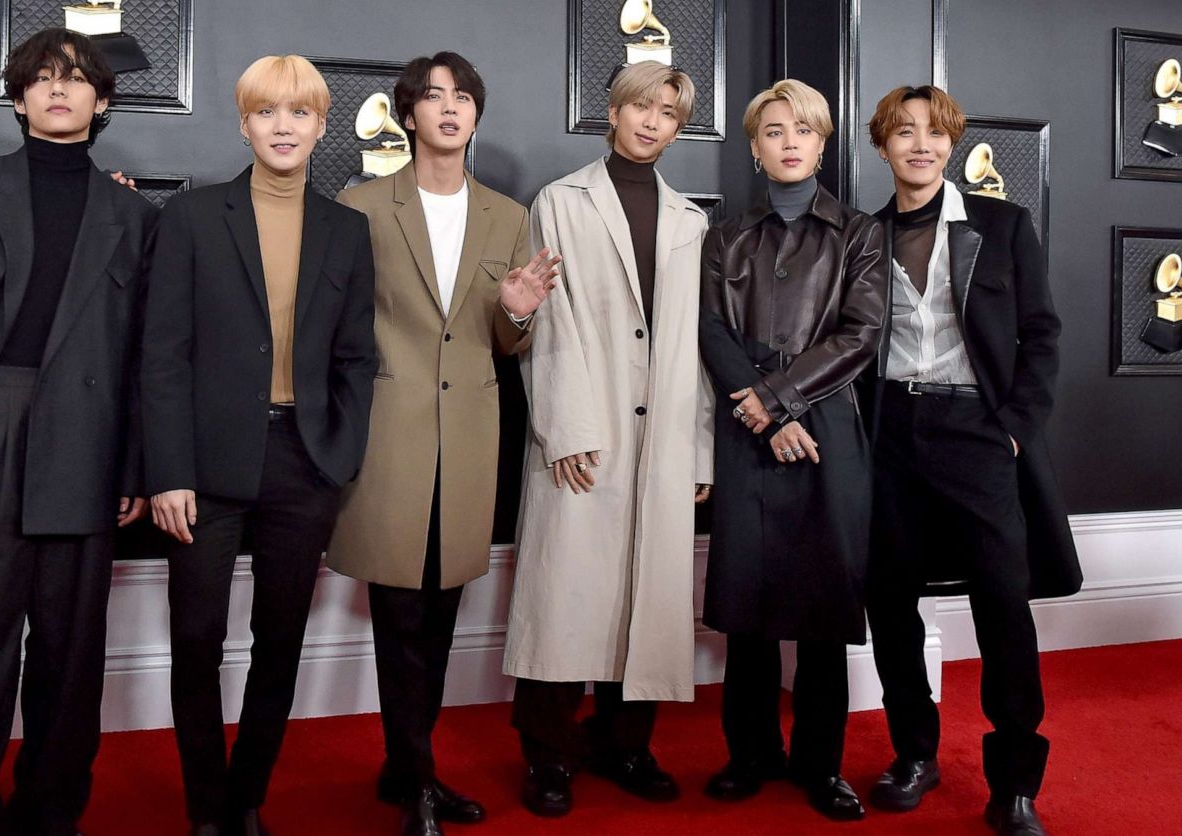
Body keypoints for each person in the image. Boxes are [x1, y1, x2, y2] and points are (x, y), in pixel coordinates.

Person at [0, 28, 157, 836]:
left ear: (102, 100)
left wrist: (130, 465)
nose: (58, 90)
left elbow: (146, 354)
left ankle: (51, 816)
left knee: (69, 658)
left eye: (77, 79)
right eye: (42, 79)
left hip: (86, 443)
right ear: (18, 98)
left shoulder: (132, 213)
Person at [326, 51, 560, 836]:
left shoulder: (508, 213)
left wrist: (519, 312)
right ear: (408, 114)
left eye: (464, 97)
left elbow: (505, 342)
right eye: (434, 96)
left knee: (442, 615)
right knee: (398, 616)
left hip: (469, 443)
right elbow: (337, 330)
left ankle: (407, 771)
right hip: (388, 438)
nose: (450, 108)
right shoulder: (358, 206)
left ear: (476, 115)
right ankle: (418, 782)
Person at [142, 54, 377, 836]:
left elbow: (354, 357)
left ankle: (246, 801)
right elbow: (163, 353)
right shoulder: (191, 217)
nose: (284, 126)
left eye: (300, 112)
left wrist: (336, 456)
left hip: (303, 463)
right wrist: (168, 471)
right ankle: (206, 808)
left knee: (279, 642)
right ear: (244, 123)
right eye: (268, 112)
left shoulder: (348, 230)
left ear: (320, 125)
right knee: (196, 638)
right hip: (203, 467)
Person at [860, 84, 1080, 836]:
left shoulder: (1002, 225)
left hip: (976, 432)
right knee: (890, 600)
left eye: (934, 133)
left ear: (950, 145)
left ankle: (1015, 782)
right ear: (882, 144)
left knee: (1001, 604)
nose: (920, 145)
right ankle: (914, 755)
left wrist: (1013, 429)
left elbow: (1042, 335)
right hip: (891, 432)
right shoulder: (865, 236)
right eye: (904, 133)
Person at [502, 60, 714, 819]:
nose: (653, 122)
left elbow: (697, 345)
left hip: (661, 439)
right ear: (613, 110)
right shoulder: (560, 201)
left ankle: (626, 745)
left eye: (668, 113)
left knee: (646, 602)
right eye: (641, 107)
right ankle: (549, 755)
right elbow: (546, 318)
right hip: (583, 431)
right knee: (564, 600)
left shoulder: (691, 221)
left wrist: (697, 448)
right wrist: (565, 427)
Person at [698, 78, 887, 822]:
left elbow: (861, 334)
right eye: (774, 131)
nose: (789, 142)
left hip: (826, 433)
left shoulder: (858, 232)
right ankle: (749, 756)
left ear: (822, 142)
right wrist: (764, 411)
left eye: (803, 130)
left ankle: (820, 765)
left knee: (822, 610)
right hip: (749, 430)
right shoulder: (726, 235)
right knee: (747, 605)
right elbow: (710, 329)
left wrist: (781, 399)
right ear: (754, 146)